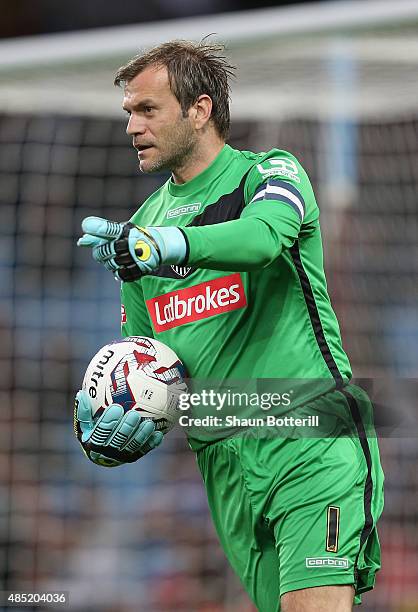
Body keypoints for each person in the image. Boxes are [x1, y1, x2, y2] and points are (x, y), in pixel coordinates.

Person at [74, 40, 384, 612]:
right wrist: (114, 420)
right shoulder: (142, 227)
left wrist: (172, 243)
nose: (132, 127)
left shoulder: (269, 172)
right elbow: (151, 361)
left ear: (200, 108)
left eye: (148, 110)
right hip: (225, 463)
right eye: (129, 113)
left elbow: (263, 239)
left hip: (308, 440)